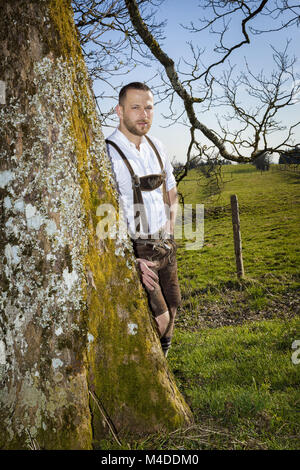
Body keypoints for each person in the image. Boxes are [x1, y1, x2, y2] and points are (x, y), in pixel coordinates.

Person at [106, 82, 181, 357]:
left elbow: (172, 194)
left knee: (173, 308)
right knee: (159, 319)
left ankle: (162, 372)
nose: (143, 114)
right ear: (119, 110)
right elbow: (104, 216)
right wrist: (129, 259)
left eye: (148, 107)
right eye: (135, 107)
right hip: (137, 249)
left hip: (164, 243)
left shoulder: (158, 147)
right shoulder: (108, 153)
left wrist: (170, 232)